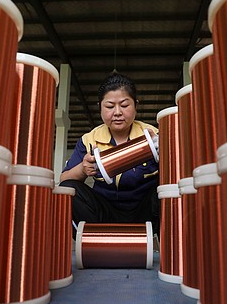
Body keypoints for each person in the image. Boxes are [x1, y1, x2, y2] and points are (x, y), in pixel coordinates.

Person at [60, 73, 159, 235]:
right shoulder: (89, 140)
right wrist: (82, 169)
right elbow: (64, 180)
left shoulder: (154, 136)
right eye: (110, 106)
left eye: (125, 105)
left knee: (167, 189)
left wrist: (163, 151)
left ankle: (170, 249)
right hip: (104, 214)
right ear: (100, 107)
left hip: (146, 213)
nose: (118, 112)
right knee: (69, 189)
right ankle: (92, 243)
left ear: (136, 105)